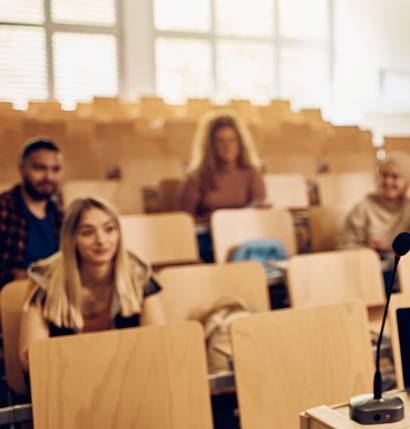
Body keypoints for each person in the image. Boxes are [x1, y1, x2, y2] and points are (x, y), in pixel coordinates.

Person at [18, 197, 166, 371]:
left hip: (129, 377)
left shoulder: (139, 276)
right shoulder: (46, 282)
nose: (101, 240)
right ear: (71, 239)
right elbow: (32, 360)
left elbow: (158, 345)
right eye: (88, 232)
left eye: (109, 229)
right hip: (66, 383)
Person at [179, 111, 266, 262]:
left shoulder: (252, 174)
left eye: (232, 140)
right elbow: (184, 222)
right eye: (221, 141)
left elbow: (258, 209)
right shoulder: (196, 177)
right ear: (211, 145)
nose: (228, 147)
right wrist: (216, 219)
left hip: (244, 239)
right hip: (208, 242)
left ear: (240, 143)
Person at [0, 139, 64, 288]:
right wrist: (19, 275)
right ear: (22, 169)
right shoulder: (4, 207)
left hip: (52, 301)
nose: (49, 177)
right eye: (39, 168)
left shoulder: (58, 213)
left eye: (55, 169)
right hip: (10, 302)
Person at [339, 152, 410, 253]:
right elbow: (345, 247)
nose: (388, 181)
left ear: (408, 182)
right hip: (373, 264)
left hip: (406, 265)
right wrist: (367, 248)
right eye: (384, 175)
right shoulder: (363, 207)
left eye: (395, 176)